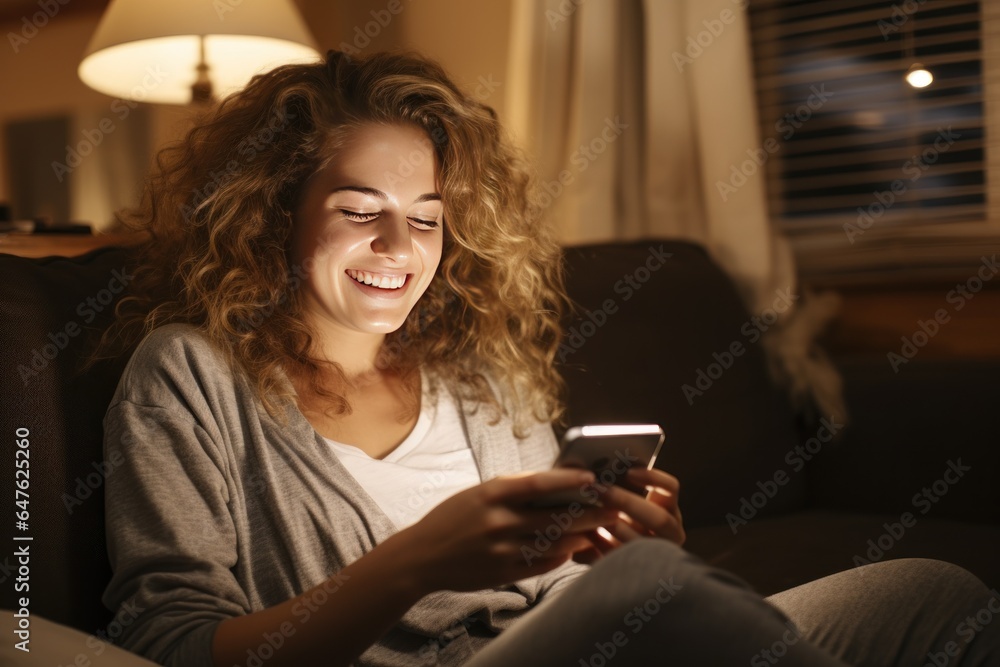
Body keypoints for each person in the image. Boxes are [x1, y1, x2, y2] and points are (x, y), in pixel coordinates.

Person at [97, 50, 999, 667]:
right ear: (274, 211)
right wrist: (415, 561)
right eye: (358, 207)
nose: (397, 244)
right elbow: (172, 642)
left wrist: (616, 555)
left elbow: (561, 593)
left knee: (932, 593)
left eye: (426, 217)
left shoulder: (475, 376)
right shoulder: (189, 375)